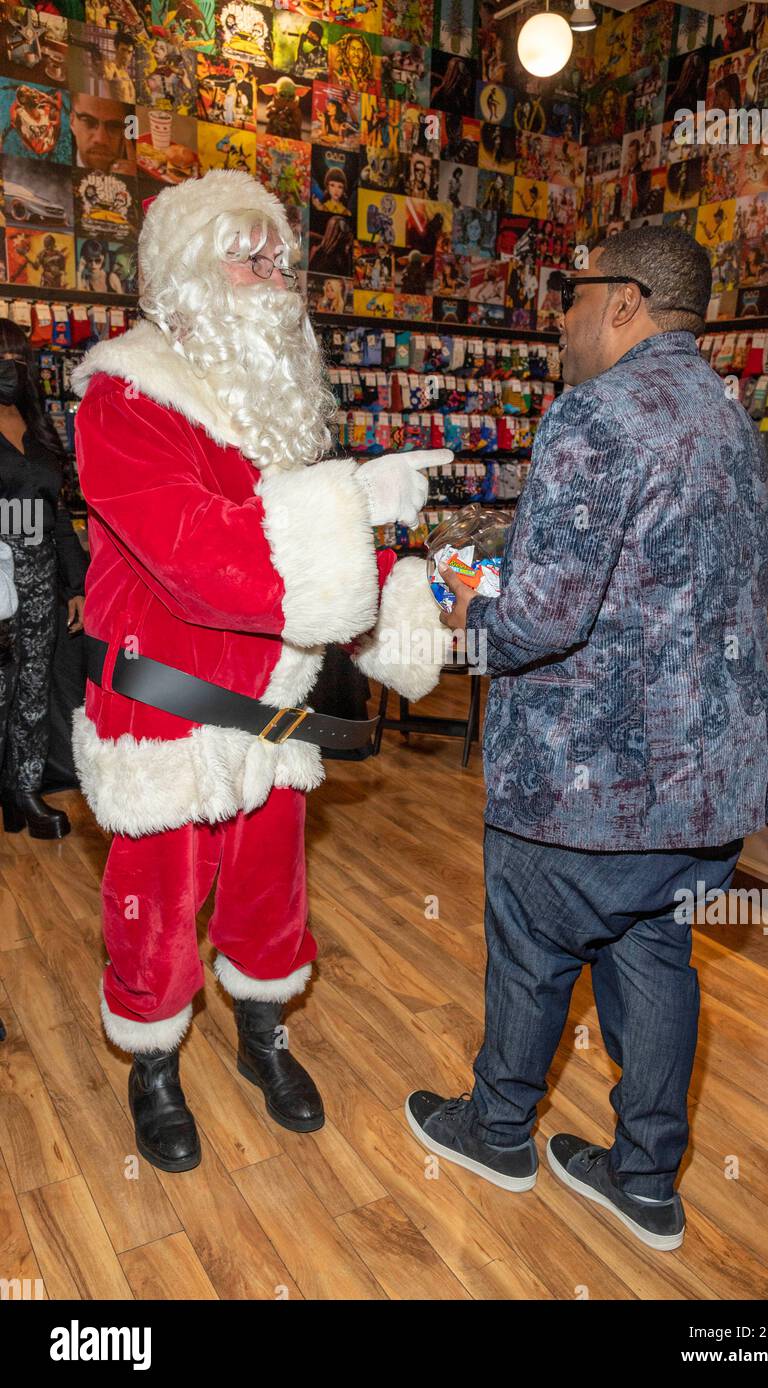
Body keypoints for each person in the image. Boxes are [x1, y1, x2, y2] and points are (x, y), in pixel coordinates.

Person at [406, 225, 768, 1252]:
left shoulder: (593, 414)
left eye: (571, 298)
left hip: (584, 786)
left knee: (532, 955)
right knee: (655, 957)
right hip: (704, 789)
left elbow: (539, 618)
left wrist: (450, 621)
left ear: (623, 302)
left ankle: (495, 1131)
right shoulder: (731, 422)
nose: (558, 320)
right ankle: (644, 1179)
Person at [71, 170, 450, 1173]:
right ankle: (152, 1065)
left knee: (269, 893)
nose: (274, 275)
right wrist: (352, 509)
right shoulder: (122, 395)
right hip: (164, 705)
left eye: (280, 257)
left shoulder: (275, 404)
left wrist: (389, 580)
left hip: (270, 707)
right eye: (250, 254)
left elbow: (304, 543)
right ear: (190, 270)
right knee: (155, 905)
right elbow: (201, 559)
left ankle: (262, 1036)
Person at [0, 320, 87, 838]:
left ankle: (24, 791)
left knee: (33, 691)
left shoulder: (39, 431)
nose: (10, 369)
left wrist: (74, 586)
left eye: (17, 358)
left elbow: (55, 518)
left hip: (40, 582)